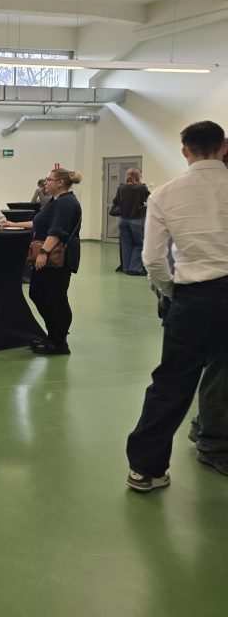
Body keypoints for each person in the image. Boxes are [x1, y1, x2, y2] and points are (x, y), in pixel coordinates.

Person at [125, 121, 228, 492]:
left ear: (185, 151)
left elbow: (153, 259)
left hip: (192, 299)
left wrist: (172, 292)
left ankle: (146, 469)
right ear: (224, 147)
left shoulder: (165, 194)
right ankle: (215, 445)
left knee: (171, 383)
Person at [12, 167, 83, 355]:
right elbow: (38, 222)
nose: (46, 182)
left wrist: (44, 252)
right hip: (50, 257)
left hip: (57, 259)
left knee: (55, 297)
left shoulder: (66, 203)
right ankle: (53, 336)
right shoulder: (55, 201)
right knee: (39, 293)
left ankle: (59, 342)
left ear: (60, 183)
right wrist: (13, 224)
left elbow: (57, 231)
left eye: (49, 179)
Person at [111, 168, 149, 276]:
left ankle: (126, 268)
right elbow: (149, 199)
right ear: (138, 176)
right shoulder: (142, 188)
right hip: (137, 220)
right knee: (139, 244)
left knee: (126, 244)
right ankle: (135, 268)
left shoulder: (121, 188)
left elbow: (116, 202)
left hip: (123, 220)